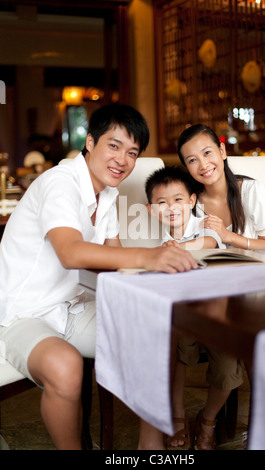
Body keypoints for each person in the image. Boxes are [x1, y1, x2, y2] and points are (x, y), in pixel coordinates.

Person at [0, 103, 198, 450]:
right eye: (114, 145)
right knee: (65, 366)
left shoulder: (107, 194)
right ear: (90, 142)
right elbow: (71, 252)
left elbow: (113, 260)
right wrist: (150, 256)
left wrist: (160, 284)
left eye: (133, 152)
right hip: (23, 313)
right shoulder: (59, 183)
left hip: (71, 307)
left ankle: (149, 448)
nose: (123, 159)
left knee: (156, 329)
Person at [167, 123, 265, 450]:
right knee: (174, 337)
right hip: (204, 290)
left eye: (207, 153)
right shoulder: (191, 201)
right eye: (191, 160)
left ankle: (208, 420)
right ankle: (174, 419)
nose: (202, 164)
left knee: (229, 357)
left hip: (247, 291)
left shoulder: (249, 191)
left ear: (222, 151)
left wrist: (229, 237)